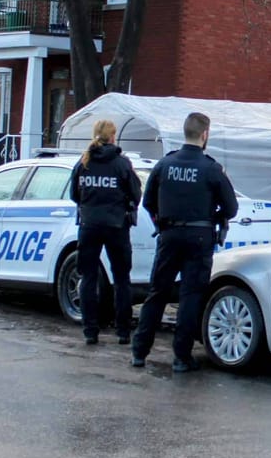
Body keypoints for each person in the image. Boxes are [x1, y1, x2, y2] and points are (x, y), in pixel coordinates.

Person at [131, 112, 238, 372]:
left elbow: (148, 201)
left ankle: (139, 352)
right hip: (199, 237)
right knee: (191, 296)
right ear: (205, 134)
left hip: (169, 235)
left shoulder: (165, 164)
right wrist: (213, 216)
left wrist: (163, 221)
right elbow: (232, 208)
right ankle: (181, 357)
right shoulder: (211, 169)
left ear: (185, 132)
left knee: (157, 292)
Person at [69, 118, 142, 346]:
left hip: (89, 226)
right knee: (121, 279)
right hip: (116, 226)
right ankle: (123, 332)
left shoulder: (84, 162)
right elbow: (136, 194)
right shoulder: (121, 164)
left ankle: (90, 331)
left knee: (88, 278)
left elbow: (74, 195)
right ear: (112, 137)